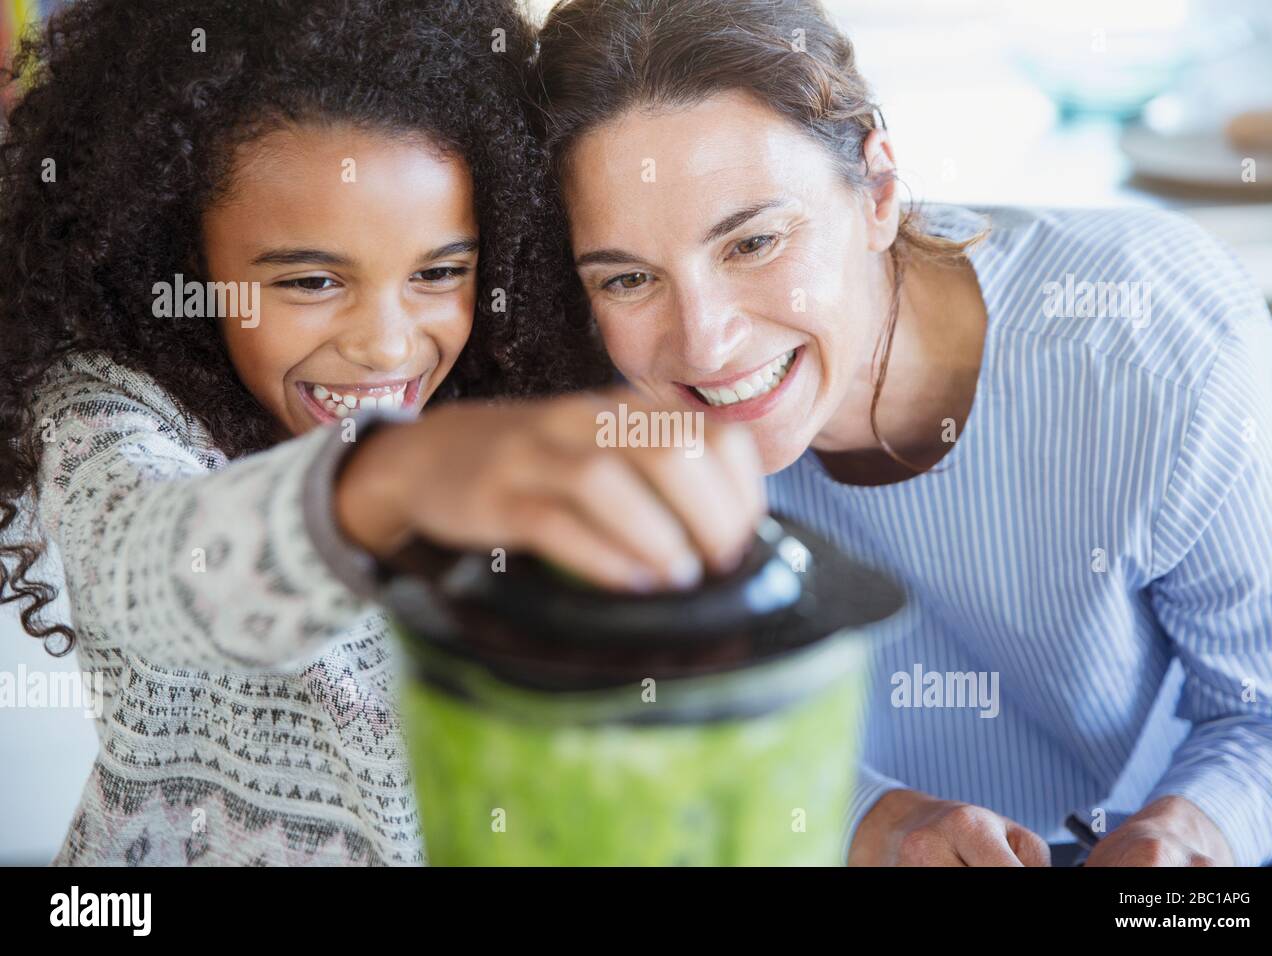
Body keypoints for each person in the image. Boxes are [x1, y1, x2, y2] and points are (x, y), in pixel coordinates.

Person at [533, 0, 1272, 866]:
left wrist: (1186, 833)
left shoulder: (1156, 342)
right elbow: (649, 717)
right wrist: (874, 820)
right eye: (630, 278)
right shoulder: (599, 413)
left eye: (753, 243)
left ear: (879, 191)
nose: (706, 342)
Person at [0, 0, 762, 865]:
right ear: (180, 258)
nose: (388, 347)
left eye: (439, 272)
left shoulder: (524, 401)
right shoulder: (109, 410)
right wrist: (389, 478)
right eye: (313, 282)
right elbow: (149, 565)